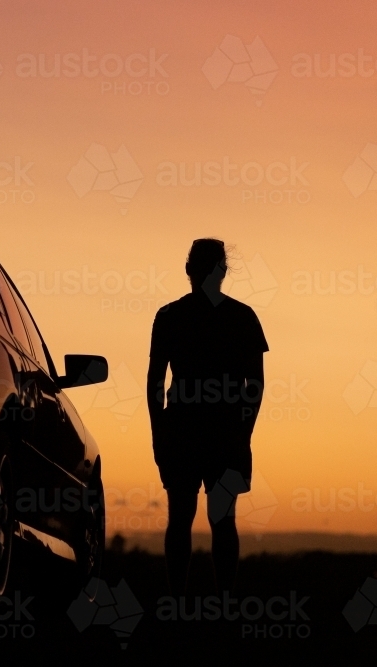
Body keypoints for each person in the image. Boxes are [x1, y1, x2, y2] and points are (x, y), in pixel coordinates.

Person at [147, 238, 268, 595]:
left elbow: (156, 381)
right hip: (223, 434)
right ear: (223, 270)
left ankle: (179, 602)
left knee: (182, 520)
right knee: (222, 521)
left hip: (186, 432)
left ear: (189, 270)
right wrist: (243, 432)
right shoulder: (242, 317)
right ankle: (223, 604)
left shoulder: (170, 316)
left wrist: (159, 433)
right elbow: (256, 385)